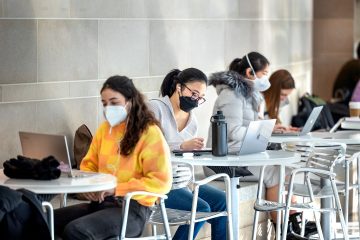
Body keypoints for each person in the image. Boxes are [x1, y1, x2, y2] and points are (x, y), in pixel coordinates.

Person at [206, 52, 316, 237]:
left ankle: (292, 221)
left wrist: (270, 129)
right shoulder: (231, 95)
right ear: (250, 72)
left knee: (284, 169)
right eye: (264, 73)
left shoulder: (248, 95)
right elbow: (232, 132)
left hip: (238, 155)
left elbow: (248, 126)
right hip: (221, 161)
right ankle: (283, 229)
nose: (266, 78)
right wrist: (261, 131)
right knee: (273, 172)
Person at [54, 75, 172, 240]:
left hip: (133, 209)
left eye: (114, 102)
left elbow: (161, 182)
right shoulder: (104, 130)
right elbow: (88, 166)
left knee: (76, 231)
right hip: (101, 204)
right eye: (104, 103)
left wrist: (116, 188)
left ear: (130, 101)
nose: (108, 107)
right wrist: (89, 188)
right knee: (45, 220)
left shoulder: (150, 133)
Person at [149, 68, 227, 240]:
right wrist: (181, 146)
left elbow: (186, 156)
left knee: (222, 201)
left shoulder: (192, 121)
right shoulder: (155, 109)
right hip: (161, 185)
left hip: (184, 182)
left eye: (200, 97)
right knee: (200, 209)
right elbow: (145, 149)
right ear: (179, 87)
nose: (196, 100)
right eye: (194, 94)